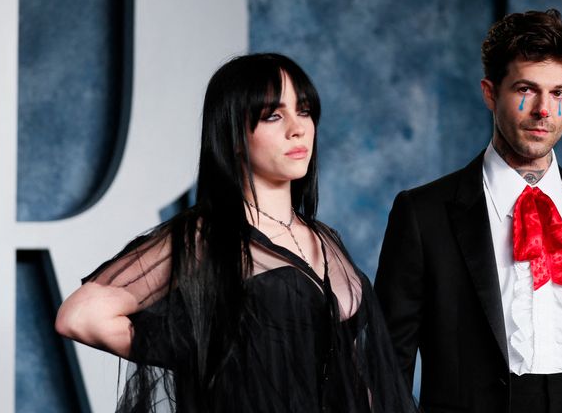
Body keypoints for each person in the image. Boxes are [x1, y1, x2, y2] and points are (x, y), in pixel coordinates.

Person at [56, 53, 417, 413]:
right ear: (235, 135)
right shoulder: (207, 235)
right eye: (273, 115)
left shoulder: (325, 239)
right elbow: (80, 316)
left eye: (304, 110)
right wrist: (204, 353)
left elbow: (352, 371)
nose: (297, 128)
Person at [375, 9, 562, 413]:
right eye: (525, 89)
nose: (543, 111)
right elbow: (388, 365)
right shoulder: (422, 213)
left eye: (559, 93)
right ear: (489, 92)